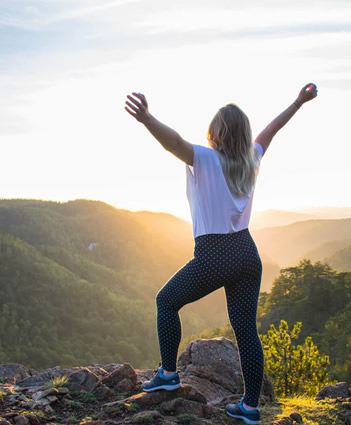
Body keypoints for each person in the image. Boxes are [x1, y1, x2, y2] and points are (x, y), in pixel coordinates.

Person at [125, 83, 318, 425]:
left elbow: (174, 142)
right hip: (247, 252)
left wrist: (147, 119)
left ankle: (168, 373)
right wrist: (298, 102)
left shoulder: (206, 158)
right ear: (243, 134)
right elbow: (272, 128)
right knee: (246, 331)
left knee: (166, 301)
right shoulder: (252, 158)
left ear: (215, 132)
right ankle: (250, 408)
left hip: (215, 253)